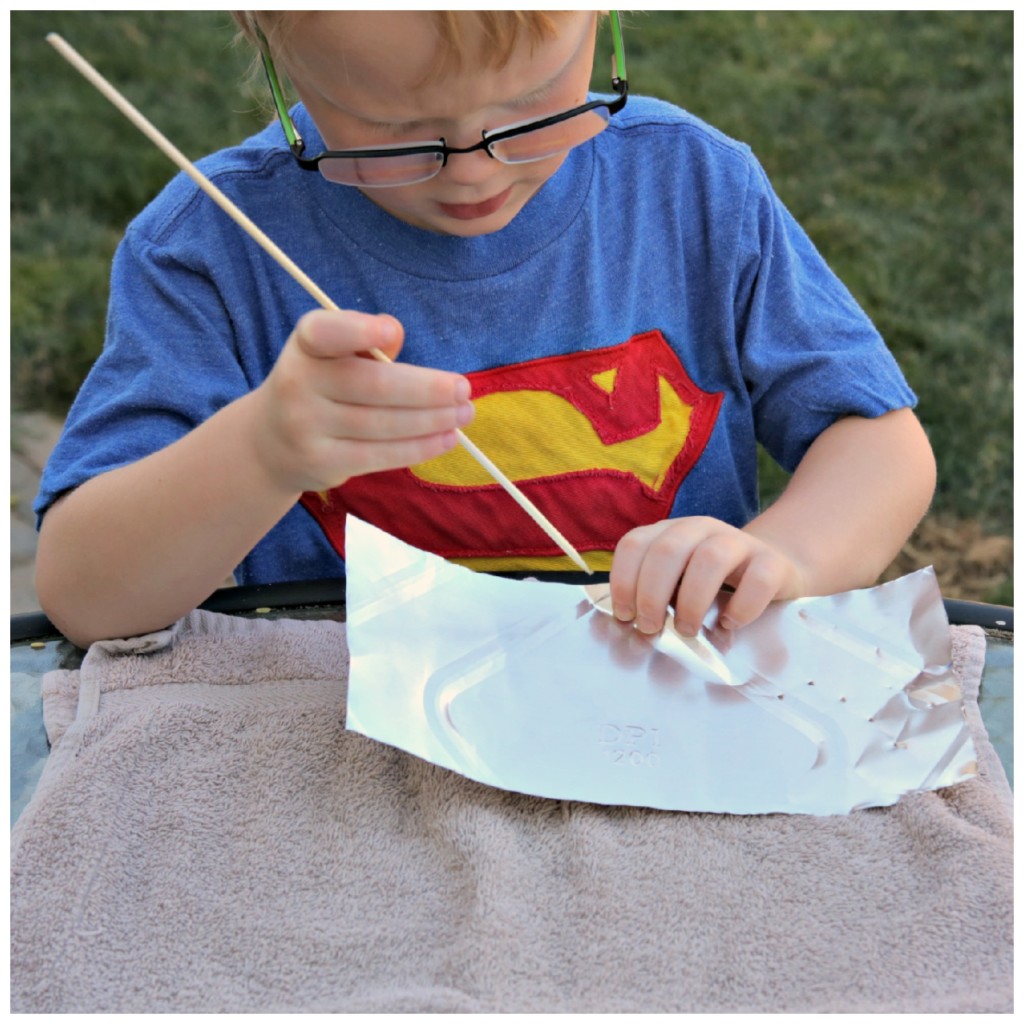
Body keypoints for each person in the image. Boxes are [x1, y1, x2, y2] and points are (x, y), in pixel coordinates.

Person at [35, 10, 935, 649]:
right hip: (343, 749)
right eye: (396, 128)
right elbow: (85, 596)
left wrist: (783, 555)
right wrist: (264, 452)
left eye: (535, 102)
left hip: (654, 705)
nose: (474, 170)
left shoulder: (693, 186)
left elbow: (882, 446)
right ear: (274, 47)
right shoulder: (209, 247)